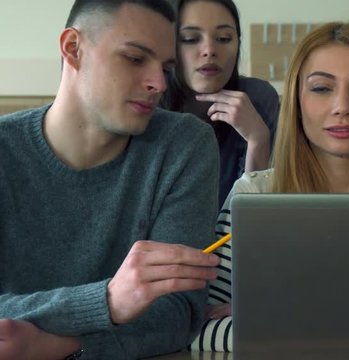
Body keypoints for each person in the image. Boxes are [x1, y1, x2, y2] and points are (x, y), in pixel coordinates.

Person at [189, 22, 349, 352]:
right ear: (297, 99)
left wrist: (277, 318)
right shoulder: (253, 196)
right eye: (322, 88)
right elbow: (199, 330)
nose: (342, 107)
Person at [0, 1, 221, 359]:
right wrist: (107, 301)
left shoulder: (184, 146)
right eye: (135, 58)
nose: (159, 84)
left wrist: (62, 346)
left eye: (166, 67)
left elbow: (179, 312)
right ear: (73, 49)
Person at [161, 0, 279, 209]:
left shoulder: (259, 98)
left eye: (224, 38)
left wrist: (258, 141)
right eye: (191, 39)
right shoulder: (151, 102)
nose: (209, 50)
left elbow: (255, 222)